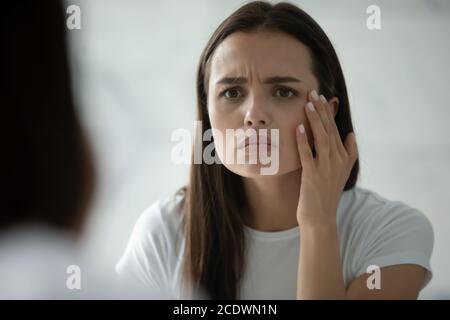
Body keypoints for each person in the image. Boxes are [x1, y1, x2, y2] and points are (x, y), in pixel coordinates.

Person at [116, 1, 434, 300]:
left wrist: (318, 222)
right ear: (207, 112)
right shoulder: (164, 232)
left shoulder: (391, 232)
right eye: (232, 92)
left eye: (283, 91)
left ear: (329, 112)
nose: (254, 114)